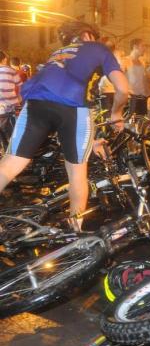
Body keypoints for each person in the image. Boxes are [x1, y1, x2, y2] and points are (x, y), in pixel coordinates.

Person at [0, 21, 129, 230]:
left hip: (35, 103)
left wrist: (90, 140)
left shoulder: (57, 52)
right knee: (77, 174)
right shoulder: (98, 48)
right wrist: (116, 114)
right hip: (73, 107)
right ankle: (75, 231)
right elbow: (123, 89)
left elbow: (55, 99)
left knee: (10, 164)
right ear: (88, 35)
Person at [125, 38, 150, 116]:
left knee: (142, 123)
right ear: (135, 47)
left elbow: (143, 81)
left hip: (142, 98)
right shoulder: (125, 61)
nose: (145, 48)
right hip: (131, 99)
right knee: (130, 124)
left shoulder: (142, 63)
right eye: (143, 46)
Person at [0, 51, 22, 138]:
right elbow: (21, 86)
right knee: (13, 135)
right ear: (4, 59)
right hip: (11, 108)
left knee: (2, 138)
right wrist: (19, 99)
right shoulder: (11, 71)